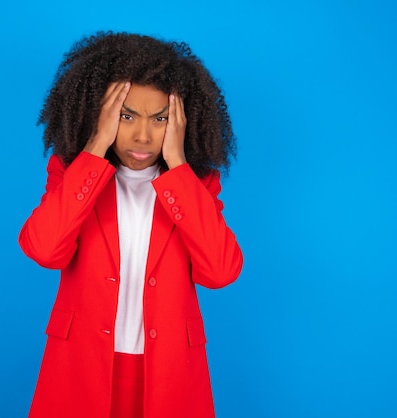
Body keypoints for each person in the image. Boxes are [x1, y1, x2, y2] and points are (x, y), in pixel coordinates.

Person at [18, 31, 243, 418]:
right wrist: (94, 149)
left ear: (181, 122)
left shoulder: (195, 186)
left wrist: (178, 167)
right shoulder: (74, 176)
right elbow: (43, 249)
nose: (142, 135)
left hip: (167, 371)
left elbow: (220, 272)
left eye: (160, 119)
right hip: (82, 365)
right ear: (100, 113)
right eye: (126, 116)